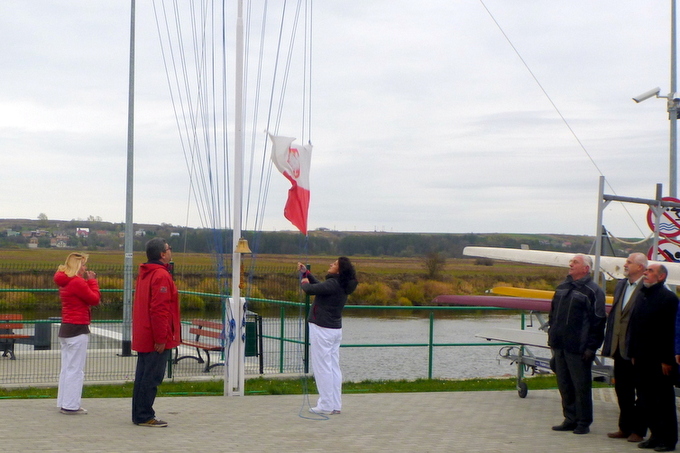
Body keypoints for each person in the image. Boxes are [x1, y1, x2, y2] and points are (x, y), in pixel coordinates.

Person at [548, 254, 606, 435]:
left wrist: (591, 347)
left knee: (580, 386)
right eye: (571, 261)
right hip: (560, 345)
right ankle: (570, 418)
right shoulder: (562, 288)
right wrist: (552, 336)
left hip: (579, 349)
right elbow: (552, 314)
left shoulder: (593, 291)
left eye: (575, 262)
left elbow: (598, 321)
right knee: (564, 384)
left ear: (586, 269)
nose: (571, 264)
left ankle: (583, 421)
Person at [298, 257, 358, 416]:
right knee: (332, 367)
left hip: (322, 329)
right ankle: (335, 404)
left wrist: (303, 280)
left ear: (339, 270)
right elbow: (320, 286)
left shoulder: (333, 284)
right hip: (334, 330)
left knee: (322, 367)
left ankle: (325, 405)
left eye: (334, 264)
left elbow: (310, 289)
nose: (331, 265)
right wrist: (308, 273)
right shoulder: (340, 284)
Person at [131, 238, 180, 427]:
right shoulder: (161, 275)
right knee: (152, 377)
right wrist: (161, 338)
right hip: (155, 337)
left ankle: (139, 413)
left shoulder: (145, 273)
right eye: (169, 248)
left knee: (142, 376)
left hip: (144, 333)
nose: (170, 251)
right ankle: (145, 415)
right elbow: (160, 309)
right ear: (162, 254)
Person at [629, 264, 678, 452]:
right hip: (641, 357)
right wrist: (633, 352)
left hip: (659, 360)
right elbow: (634, 325)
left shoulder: (668, 298)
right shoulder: (642, 295)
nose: (645, 274)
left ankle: (668, 439)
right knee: (646, 399)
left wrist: (667, 360)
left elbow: (668, 331)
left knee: (663, 401)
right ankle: (655, 435)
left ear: (661, 277)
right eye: (646, 271)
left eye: (650, 272)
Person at [602, 252, 647, 442]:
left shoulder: (647, 287)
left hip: (637, 350)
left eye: (629, 262)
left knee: (642, 392)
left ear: (640, 267)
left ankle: (639, 429)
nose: (625, 264)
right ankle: (625, 427)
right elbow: (615, 316)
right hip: (619, 347)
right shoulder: (621, 285)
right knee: (622, 390)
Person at [54, 252, 101, 415]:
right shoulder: (77, 282)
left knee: (67, 368)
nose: (86, 267)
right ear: (78, 266)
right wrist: (93, 281)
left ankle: (63, 401)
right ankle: (71, 405)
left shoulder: (64, 281)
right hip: (77, 328)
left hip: (66, 327)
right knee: (76, 369)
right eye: (84, 264)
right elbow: (94, 299)